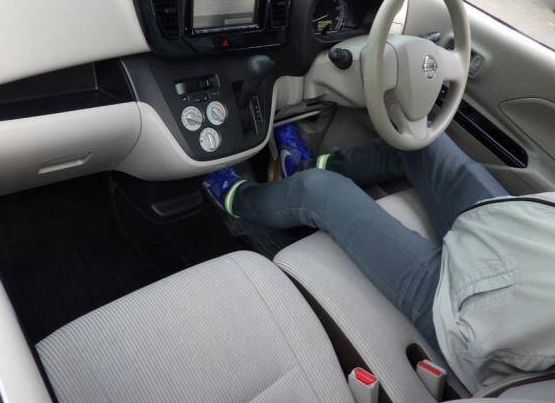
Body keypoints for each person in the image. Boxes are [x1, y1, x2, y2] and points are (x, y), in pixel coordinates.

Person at [203, 123, 555, 393]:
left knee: (317, 189)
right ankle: (303, 165)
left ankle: (236, 200)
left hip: (468, 313)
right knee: (421, 141)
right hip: (517, 228)